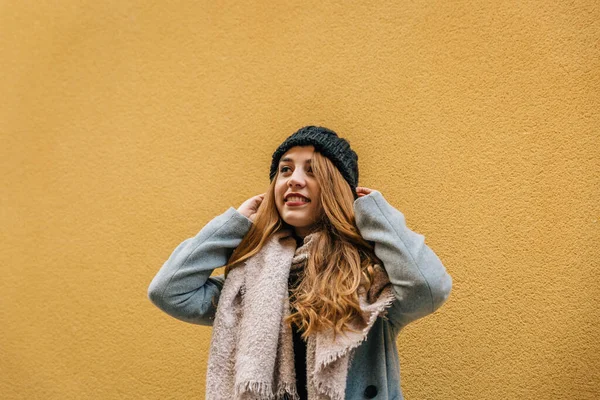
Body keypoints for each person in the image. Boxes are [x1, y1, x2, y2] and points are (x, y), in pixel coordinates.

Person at [148, 125, 452, 400]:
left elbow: (429, 287)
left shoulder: (369, 280)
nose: (294, 180)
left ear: (336, 188)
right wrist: (235, 223)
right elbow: (170, 290)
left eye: (312, 170)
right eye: (285, 170)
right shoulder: (248, 283)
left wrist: (375, 213)